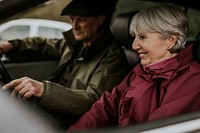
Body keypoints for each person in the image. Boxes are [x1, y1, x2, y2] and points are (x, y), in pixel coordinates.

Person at [68, 4, 200, 131]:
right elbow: (106, 106)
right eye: (134, 37)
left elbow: (156, 129)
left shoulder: (192, 80)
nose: (134, 45)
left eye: (142, 37)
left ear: (170, 40)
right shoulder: (141, 70)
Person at [0, 0, 129, 130]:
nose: (75, 26)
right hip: (53, 109)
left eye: (81, 20)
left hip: (70, 119)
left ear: (100, 19)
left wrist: (44, 90)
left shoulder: (112, 57)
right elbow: (43, 44)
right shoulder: (76, 44)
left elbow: (94, 101)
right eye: (72, 19)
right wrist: (11, 45)